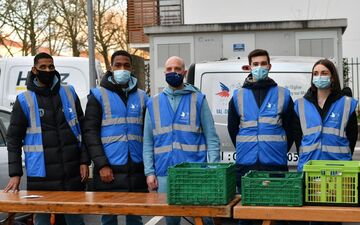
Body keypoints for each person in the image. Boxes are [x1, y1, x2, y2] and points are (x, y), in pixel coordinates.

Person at [4, 52, 89, 225]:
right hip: (41, 174)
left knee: (75, 219)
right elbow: (13, 139)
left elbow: (83, 129)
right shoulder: (25, 100)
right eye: (42, 67)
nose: (47, 70)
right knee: (42, 219)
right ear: (34, 70)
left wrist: (84, 161)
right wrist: (15, 174)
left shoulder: (69, 92)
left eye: (51, 66)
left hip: (71, 172)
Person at [143, 56, 220, 225]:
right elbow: (148, 142)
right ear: (164, 73)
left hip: (195, 172)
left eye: (177, 69)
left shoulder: (198, 99)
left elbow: (212, 138)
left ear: (184, 72)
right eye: (169, 69)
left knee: (204, 218)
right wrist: (149, 172)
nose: (173, 72)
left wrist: (213, 170)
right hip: (165, 173)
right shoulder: (153, 103)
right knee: (171, 220)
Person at [83, 50, 147, 225]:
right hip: (109, 169)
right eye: (118, 65)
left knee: (135, 217)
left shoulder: (142, 96)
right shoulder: (97, 95)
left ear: (132, 68)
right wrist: (102, 164)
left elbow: (148, 135)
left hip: (136, 167)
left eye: (126, 65)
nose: (122, 68)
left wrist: (148, 168)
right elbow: (90, 133)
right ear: (111, 68)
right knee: (109, 218)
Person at [227, 48, 295, 196]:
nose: (259, 67)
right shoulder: (238, 95)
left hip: (275, 162)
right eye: (255, 64)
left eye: (263, 63)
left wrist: (278, 147)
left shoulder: (283, 94)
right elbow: (232, 128)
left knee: (275, 209)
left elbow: (291, 128)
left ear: (269, 66)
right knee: (246, 213)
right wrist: (247, 146)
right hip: (246, 162)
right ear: (250, 67)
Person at [293, 59, 358, 172]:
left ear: (332, 77)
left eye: (324, 73)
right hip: (310, 167)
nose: (319, 76)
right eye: (316, 73)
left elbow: (352, 136)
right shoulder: (300, 104)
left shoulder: (346, 103)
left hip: (339, 168)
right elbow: (297, 137)